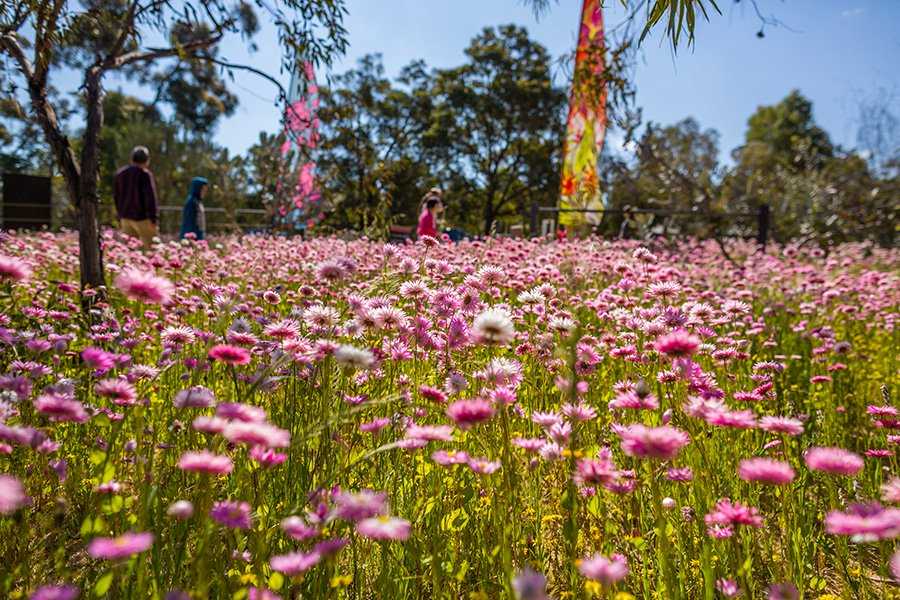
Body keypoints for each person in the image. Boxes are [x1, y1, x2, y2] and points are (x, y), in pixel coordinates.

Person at [114, 146, 159, 247]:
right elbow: (150, 197)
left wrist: (120, 214)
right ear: (147, 160)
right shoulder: (145, 174)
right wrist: (153, 218)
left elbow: (116, 197)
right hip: (143, 218)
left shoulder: (120, 174)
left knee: (129, 250)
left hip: (125, 218)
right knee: (152, 249)